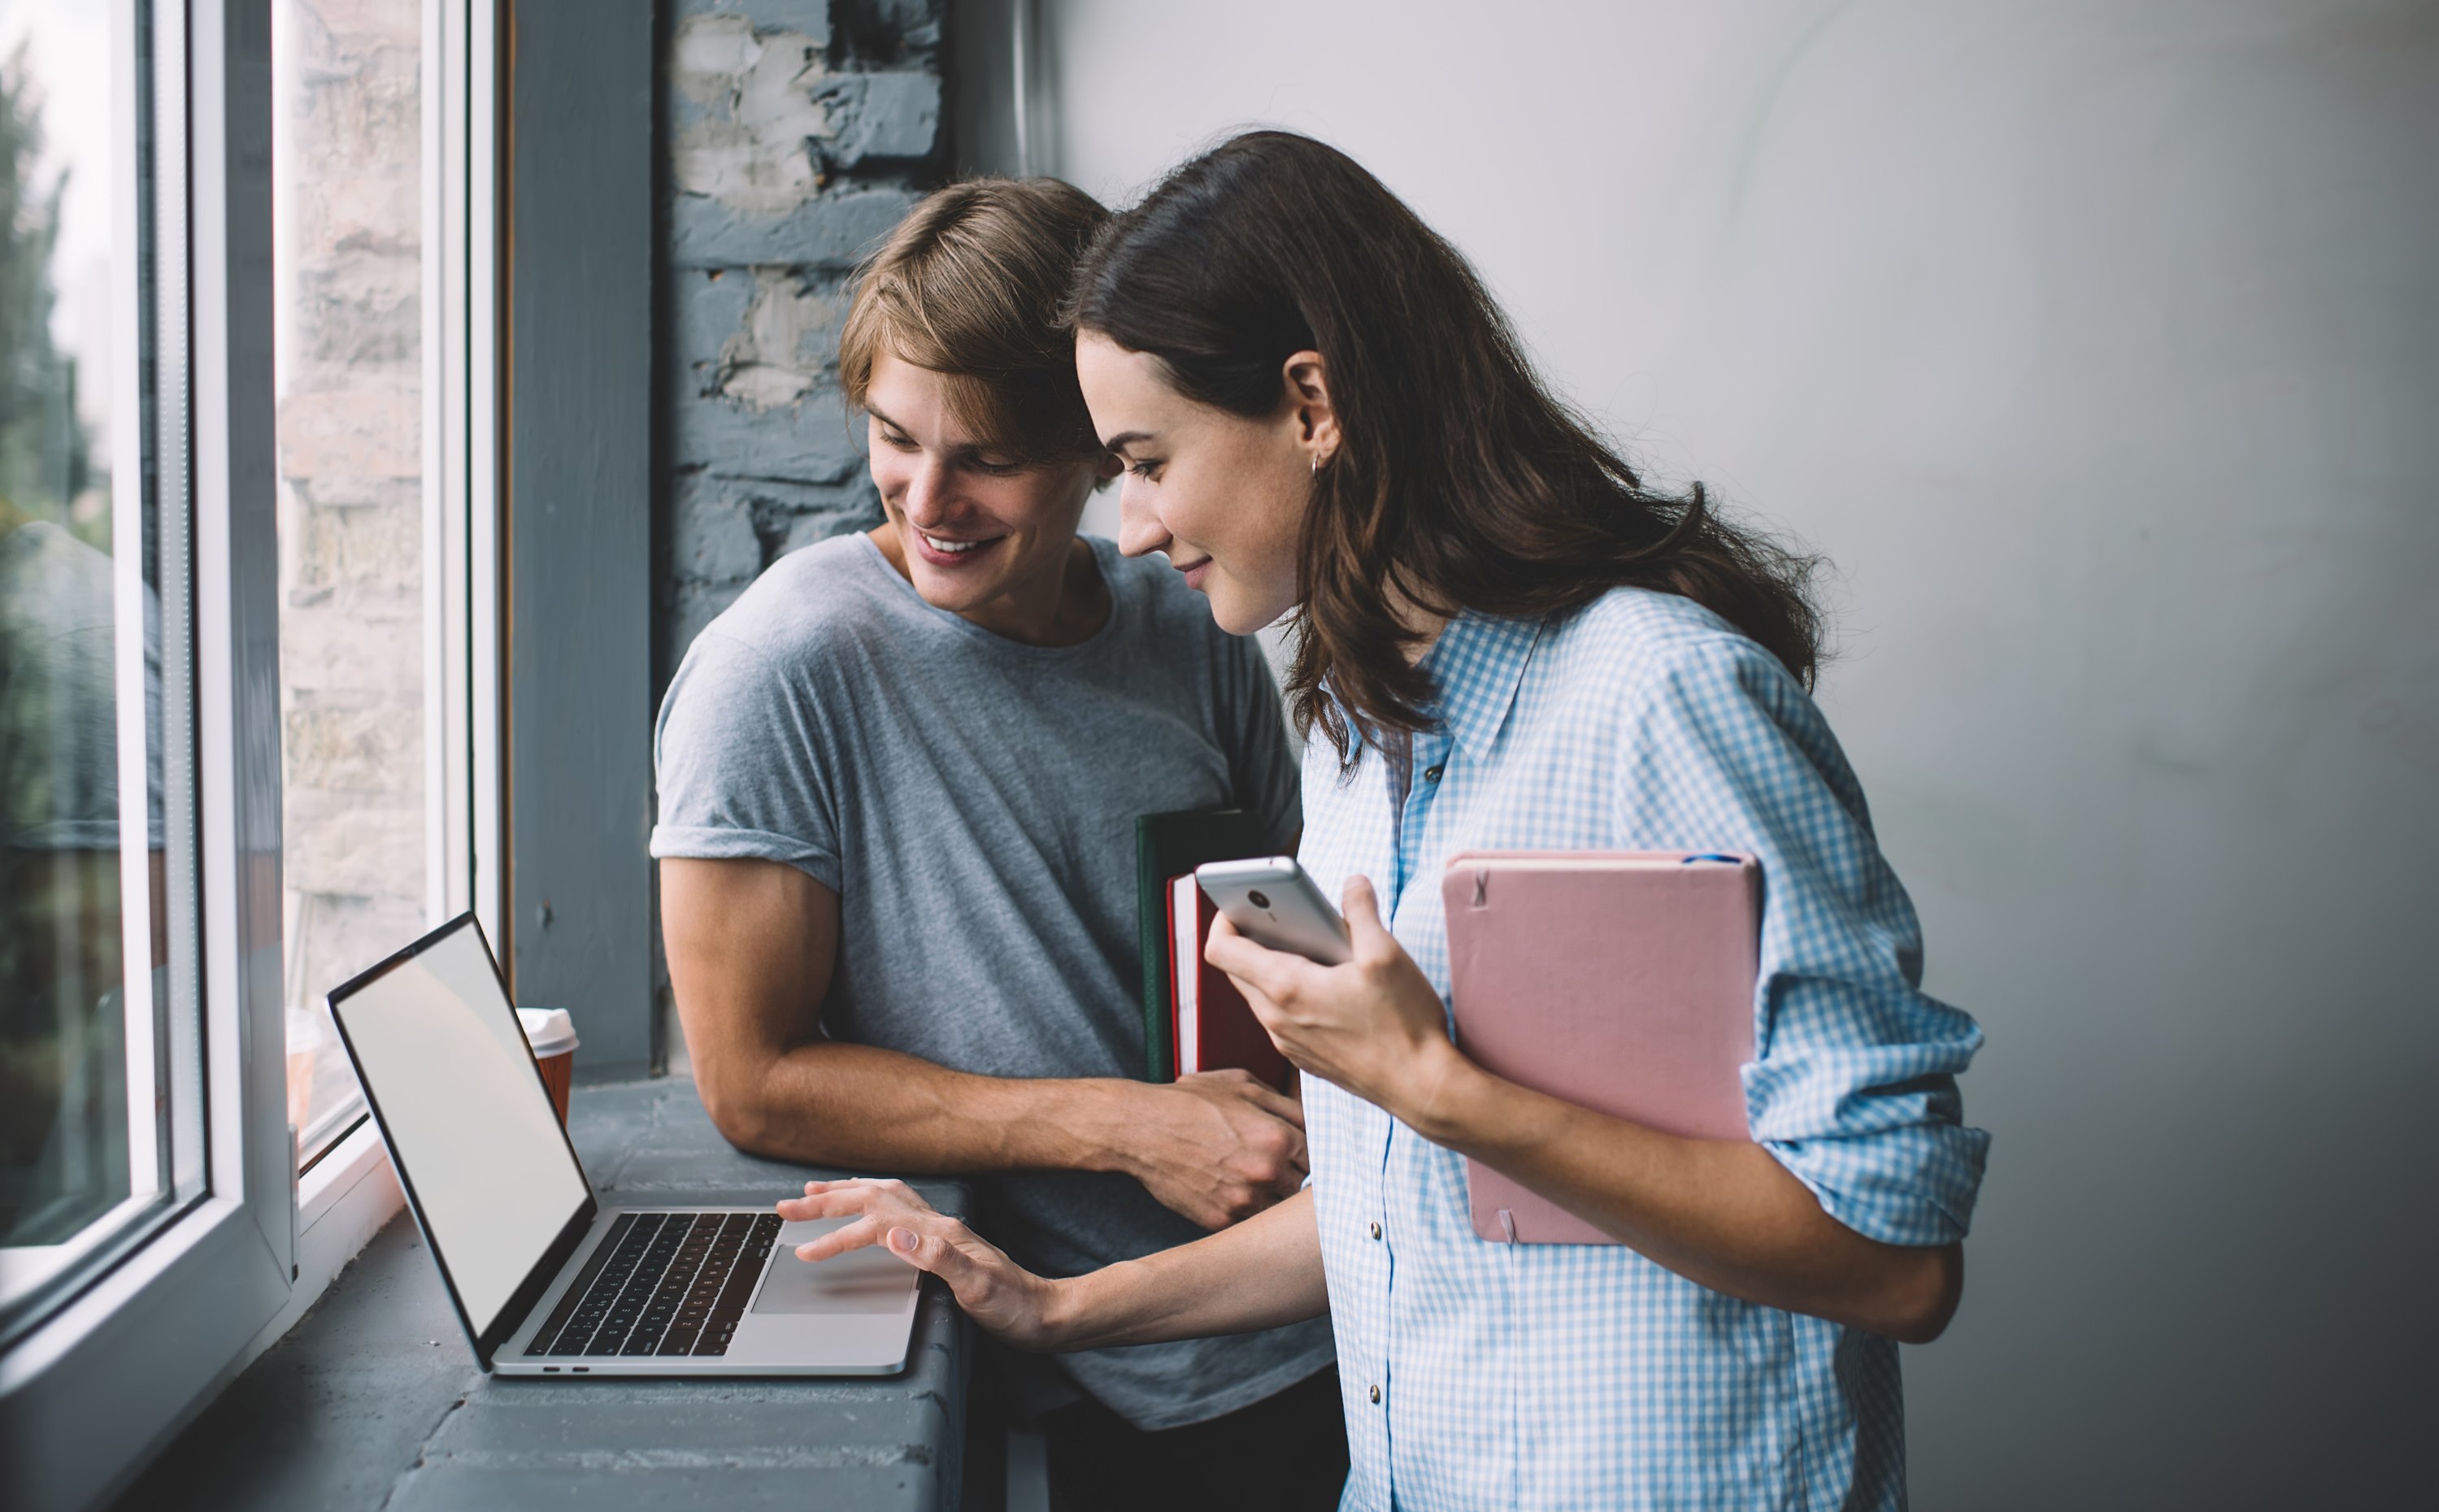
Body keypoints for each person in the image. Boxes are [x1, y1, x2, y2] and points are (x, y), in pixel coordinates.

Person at [780, 132, 1993, 1510]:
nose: (1130, 528)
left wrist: (1438, 1086)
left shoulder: (1662, 694)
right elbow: (1386, 1205)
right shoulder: (1354, 731)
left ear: (1312, 403)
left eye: (1150, 459)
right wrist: (1055, 1308)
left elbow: (1895, 1261)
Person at [649, 178, 1346, 1509]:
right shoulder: (783, 667)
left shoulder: (1188, 626)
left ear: (1101, 447)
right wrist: (1124, 1130)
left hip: (1328, 1315)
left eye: (990, 457)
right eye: (896, 437)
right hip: (1103, 1380)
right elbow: (750, 1081)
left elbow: (1293, 961)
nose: (931, 496)